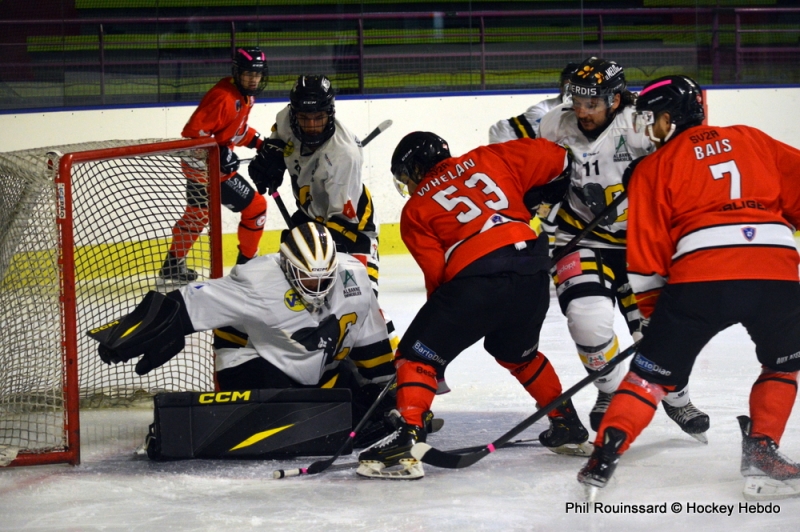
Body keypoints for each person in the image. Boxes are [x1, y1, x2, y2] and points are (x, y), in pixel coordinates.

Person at [578, 74, 800, 501]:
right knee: (782, 364)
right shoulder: (753, 138)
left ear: (668, 119)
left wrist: (654, 320)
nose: (647, 128)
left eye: (651, 119)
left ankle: (606, 452)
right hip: (775, 270)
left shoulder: (653, 167)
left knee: (649, 377)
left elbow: (645, 254)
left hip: (702, 275)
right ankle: (762, 450)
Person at [355, 131, 592, 481]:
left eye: (407, 176)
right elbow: (560, 156)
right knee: (518, 353)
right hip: (533, 271)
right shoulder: (488, 157)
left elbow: (439, 279)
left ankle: (407, 438)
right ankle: (567, 424)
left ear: (416, 169)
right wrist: (543, 195)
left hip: (478, 280)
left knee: (416, 355)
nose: (409, 184)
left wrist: (435, 352)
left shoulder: (417, 208)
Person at [93, 222, 401, 448]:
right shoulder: (256, 280)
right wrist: (138, 329)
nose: (317, 286)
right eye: (307, 276)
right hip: (255, 360)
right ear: (287, 266)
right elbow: (188, 301)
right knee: (294, 407)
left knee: (359, 395)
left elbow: (369, 337)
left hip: (313, 364)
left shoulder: (355, 276)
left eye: (324, 277)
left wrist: (386, 391)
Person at [537, 56, 709, 439]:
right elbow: (539, 172)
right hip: (580, 237)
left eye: (592, 103)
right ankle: (610, 391)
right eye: (577, 100)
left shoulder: (641, 124)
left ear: (615, 99)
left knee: (657, 331)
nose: (581, 110)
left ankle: (677, 397)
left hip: (641, 243)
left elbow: (681, 165)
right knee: (586, 318)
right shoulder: (555, 123)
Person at [248, 75, 381, 294]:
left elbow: (342, 223)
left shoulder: (343, 156)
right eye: (304, 118)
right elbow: (277, 144)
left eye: (318, 118)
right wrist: (270, 159)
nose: (311, 126)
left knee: (359, 300)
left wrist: (316, 253)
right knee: (295, 297)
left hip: (352, 229)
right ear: (293, 114)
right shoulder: (285, 120)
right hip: (310, 215)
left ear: (330, 114)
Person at [160, 47, 269, 283]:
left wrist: (261, 143)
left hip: (206, 168)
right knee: (256, 208)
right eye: (248, 73)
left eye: (257, 74)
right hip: (207, 170)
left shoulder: (245, 97)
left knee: (197, 216)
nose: (253, 79)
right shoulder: (224, 97)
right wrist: (218, 153)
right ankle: (246, 267)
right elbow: (192, 137)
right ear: (237, 72)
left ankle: (172, 265)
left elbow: (235, 132)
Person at [488, 62, 580, 254]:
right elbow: (500, 130)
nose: (571, 88)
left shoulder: (591, 110)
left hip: (564, 171)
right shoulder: (545, 111)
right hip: (542, 174)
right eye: (567, 83)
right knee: (551, 212)